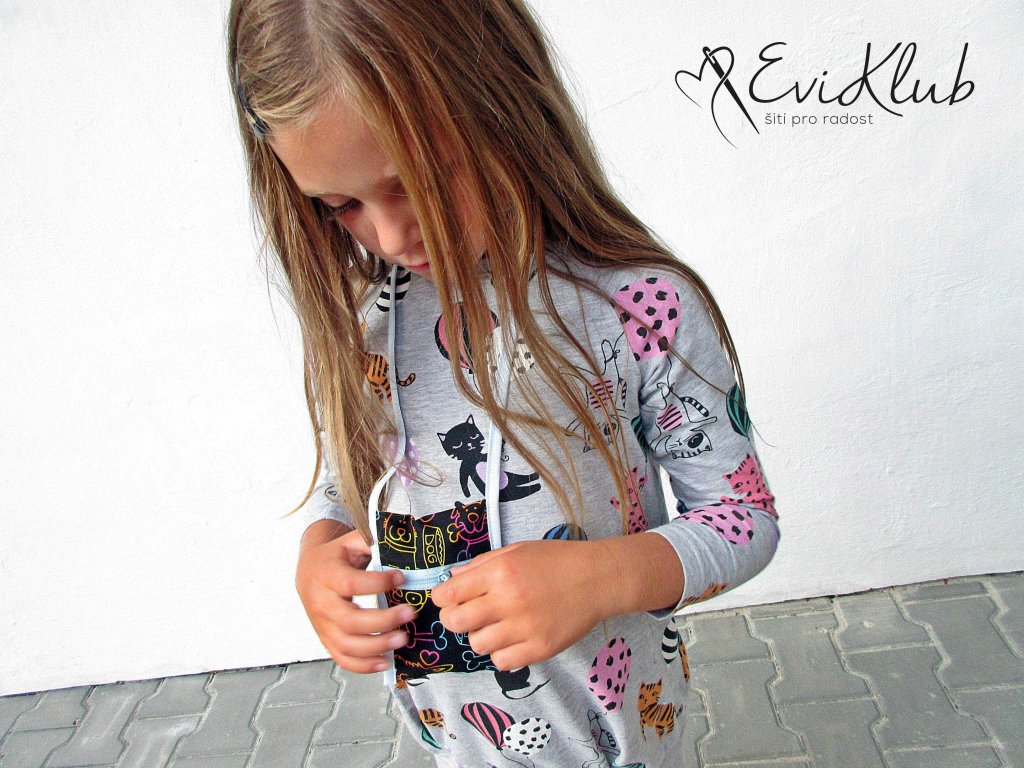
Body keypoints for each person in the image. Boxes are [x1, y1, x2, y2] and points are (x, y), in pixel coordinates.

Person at [228, 1, 781, 765]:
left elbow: (744, 520)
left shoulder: (638, 306)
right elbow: (351, 478)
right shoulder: (368, 322)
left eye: (417, 181)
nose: (390, 236)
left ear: (504, 104)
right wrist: (319, 551)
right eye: (342, 205)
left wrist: (604, 578)